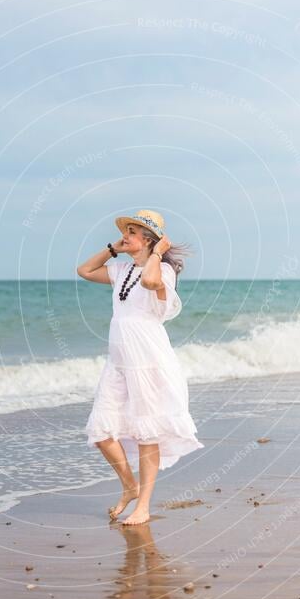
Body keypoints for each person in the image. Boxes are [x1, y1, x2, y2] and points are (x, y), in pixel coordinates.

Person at [76, 209, 204, 525]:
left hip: (148, 361)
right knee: (101, 430)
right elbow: (84, 270)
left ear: (147, 239)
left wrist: (158, 253)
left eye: (132, 233)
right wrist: (112, 249)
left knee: (148, 433)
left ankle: (143, 506)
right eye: (127, 232)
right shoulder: (120, 270)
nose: (126, 236)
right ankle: (129, 486)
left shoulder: (162, 271)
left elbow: (149, 281)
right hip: (118, 362)